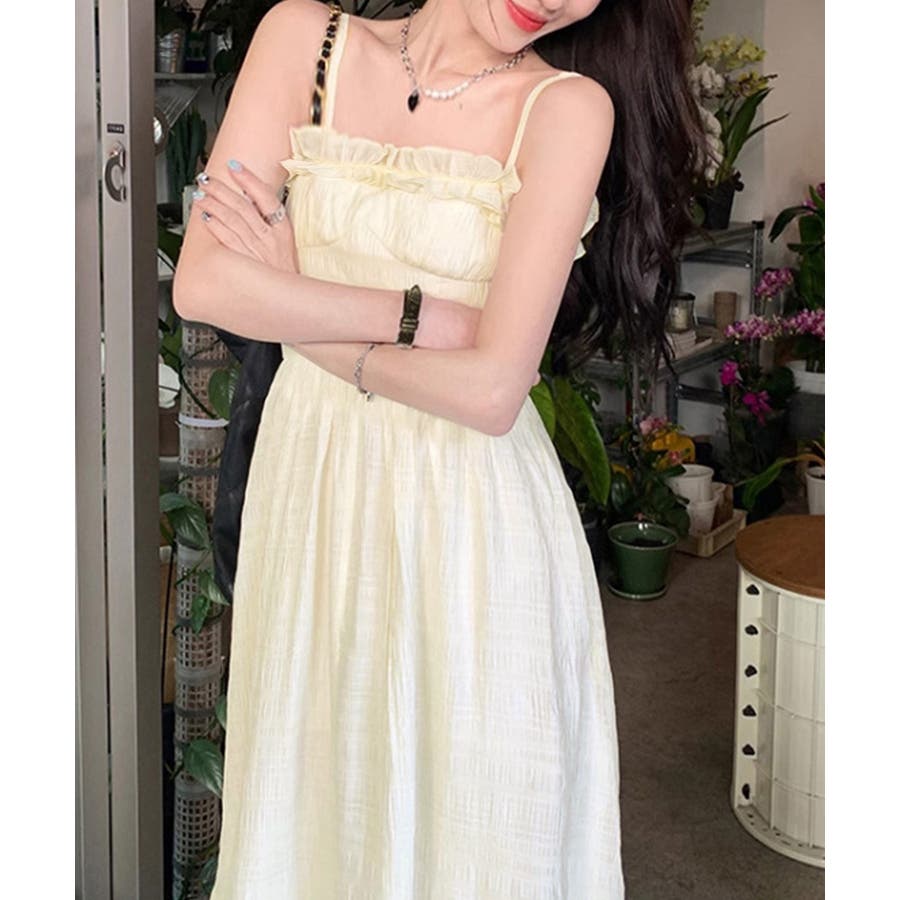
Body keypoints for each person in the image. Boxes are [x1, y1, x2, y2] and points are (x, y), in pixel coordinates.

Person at [173, 0, 702, 896]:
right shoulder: (303, 41)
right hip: (312, 506)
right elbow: (205, 283)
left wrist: (294, 295)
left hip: (475, 529)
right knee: (317, 817)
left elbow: (492, 395)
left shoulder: (570, 109)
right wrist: (419, 317)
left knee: (474, 830)